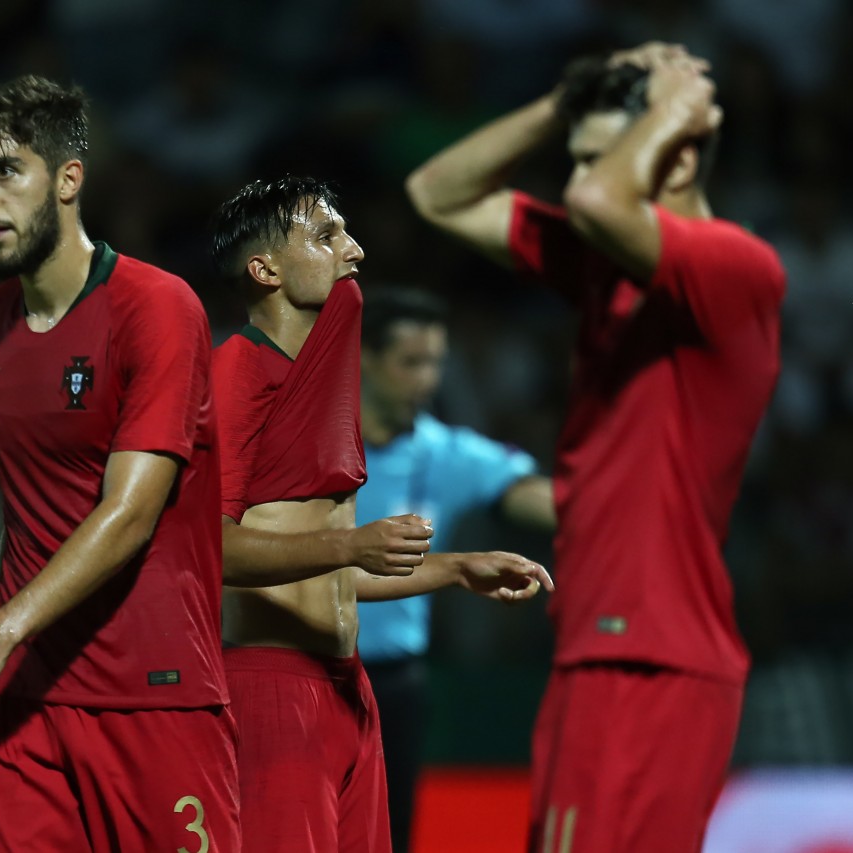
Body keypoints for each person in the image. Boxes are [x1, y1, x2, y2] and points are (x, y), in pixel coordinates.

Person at [406, 42, 785, 852]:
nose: (574, 179)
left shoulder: (734, 269)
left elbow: (600, 204)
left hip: (650, 650)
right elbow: (436, 194)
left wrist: (674, 108)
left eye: (595, 158)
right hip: (604, 642)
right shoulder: (604, 270)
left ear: (677, 157)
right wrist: (561, 102)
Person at [0, 75, 240, 852]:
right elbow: (27, 507)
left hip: (152, 692)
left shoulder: (157, 306)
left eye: (6, 172)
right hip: (26, 700)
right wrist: (2, 645)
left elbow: (130, 512)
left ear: (68, 179)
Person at [209, 175, 553, 853]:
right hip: (274, 687)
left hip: (348, 685)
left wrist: (454, 568)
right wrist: (352, 546)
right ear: (265, 268)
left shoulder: (324, 385)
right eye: (328, 235)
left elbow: (327, 571)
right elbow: (211, 550)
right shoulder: (237, 375)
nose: (356, 250)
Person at [357, 287, 556, 853]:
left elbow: (525, 490)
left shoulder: (444, 453)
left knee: (390, 839)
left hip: (395, 685)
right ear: (365, 358)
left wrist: (602, 503)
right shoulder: (311, 447)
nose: (427, 378)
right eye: (411, 362)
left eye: (437, 362)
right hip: (304, 667)